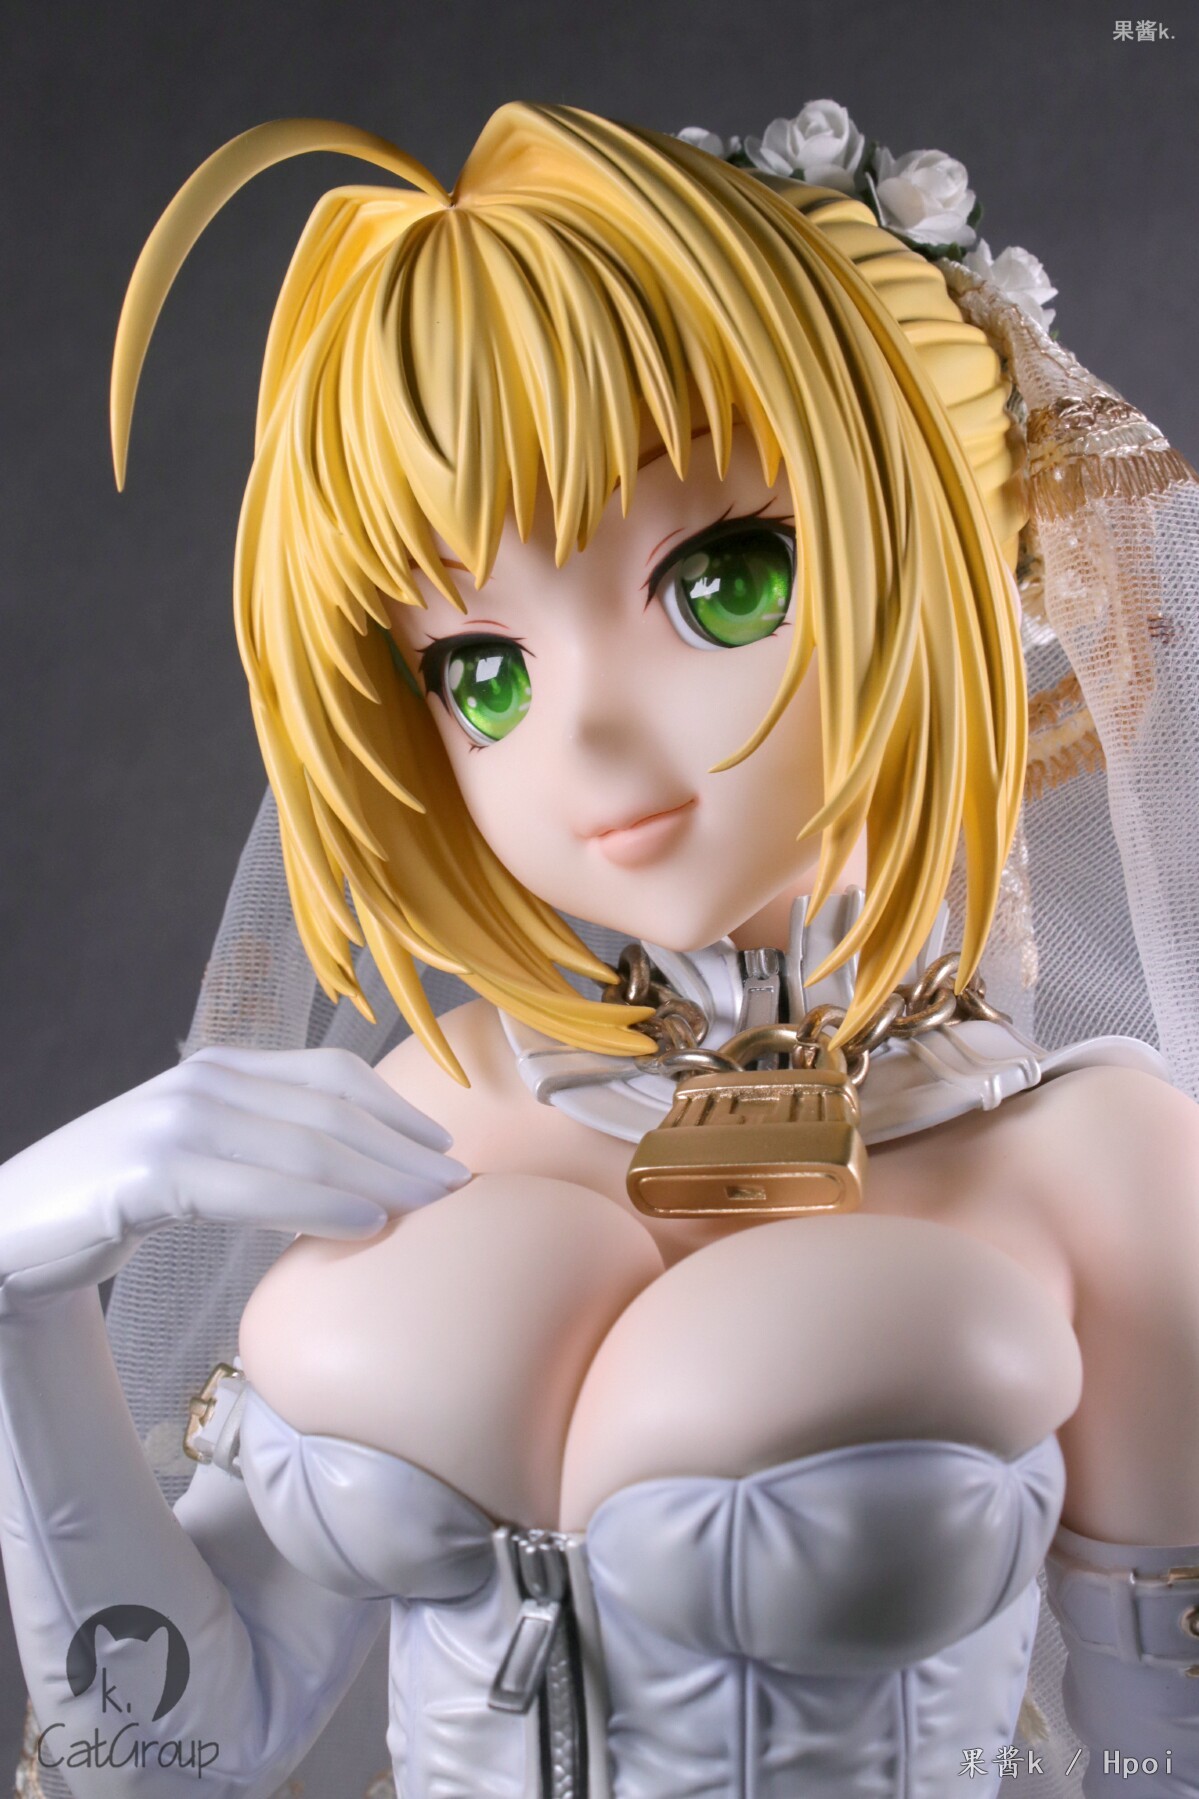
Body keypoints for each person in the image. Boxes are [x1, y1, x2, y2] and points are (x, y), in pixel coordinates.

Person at [3, 101, 1198, 1799]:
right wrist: (19, 1294)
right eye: (481, 670)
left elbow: (1168, 1758)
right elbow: (166, 1755)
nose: (585, 741)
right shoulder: (435, 1110)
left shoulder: (1101, 1166)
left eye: (725, 581)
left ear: (954, 553)